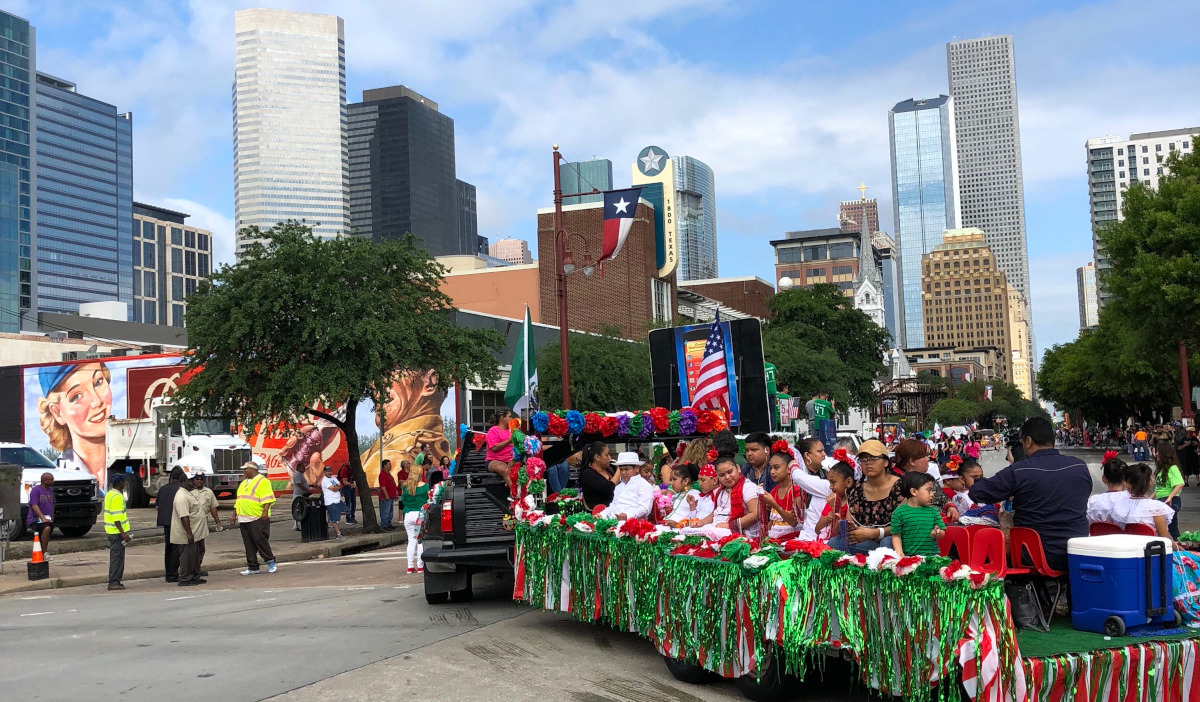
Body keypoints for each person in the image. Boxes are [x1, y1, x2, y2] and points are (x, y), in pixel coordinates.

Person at [968, 417, 1092, 571]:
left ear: (1028, 441)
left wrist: (975, 480)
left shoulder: (1020, 471)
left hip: (1033, 555)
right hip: (1077, 553)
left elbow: (978, 493)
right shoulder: (1079, 466)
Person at [36, 361, 112, 485]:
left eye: (98, 382)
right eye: (76, 396)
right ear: (57, 413)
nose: (96, 402)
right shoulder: (55, 475)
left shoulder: (132, 465)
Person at [828, 440, 902, 554]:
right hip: (868, 542)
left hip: (896, 539)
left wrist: (875, 533)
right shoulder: (856, 490)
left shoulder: (900, 486)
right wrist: (843, 526)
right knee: (834, 543)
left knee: (887, 542)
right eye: (863, 459)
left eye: (873, 458)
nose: (868, 463)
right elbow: (850, 523)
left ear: (886, 462)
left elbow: (906, 524)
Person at [894, 438, 959, 522]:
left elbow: (944, 500)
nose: (928, 459)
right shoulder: (898, 483)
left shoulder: (928, 478)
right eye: (924, 456)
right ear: (912, 461)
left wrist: (951, 507)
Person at [231, 462, 276, 575]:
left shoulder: (262, 481)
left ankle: (270, 560)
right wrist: (234, 515)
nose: (244, 471)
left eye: (245, 469)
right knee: (248, 544)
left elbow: (268, 498)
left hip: (257, 516)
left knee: (260, 540)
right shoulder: (243, 483)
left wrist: (265, 512)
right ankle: (253, 567)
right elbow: (239, 500)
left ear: (252, 469)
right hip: (244, 518)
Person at [1112, 463, 1175, 540]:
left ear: (1127, 485)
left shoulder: (1119, 506)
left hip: (1126, 549)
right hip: (1151, 550)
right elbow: (1166, 539)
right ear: (1151, 482)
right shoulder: (1156, 508)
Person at [704, 456, 763, 537]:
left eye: (730, 472)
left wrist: (730, 525)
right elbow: (716, 513)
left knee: (707, 534)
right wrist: (701, 522)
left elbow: (755, 514)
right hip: (718, 528)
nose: (727, 477)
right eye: (722, 475)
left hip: (740, 531)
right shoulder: (720, 491)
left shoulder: (748, 487)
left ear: (738, 468)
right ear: (717, 477)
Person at [891, 471, 945, 558]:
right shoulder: (898, 513)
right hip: (909, 557)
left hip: (931, 557)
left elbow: (942, 532)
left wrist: (938, 533)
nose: (932, 495)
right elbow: (896, 535)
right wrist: (899, 552)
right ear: (913, 491)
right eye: (929, 490)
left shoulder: (933, 511)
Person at [790, 437, 832, 541]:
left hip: (820, 531)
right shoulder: (800, 477)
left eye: (823, 451)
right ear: (807, 455)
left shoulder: (825, 475)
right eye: (819, 451)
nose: (824, 454)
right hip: (805, 529)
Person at [759, 444, 804, 540]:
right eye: (770, 468)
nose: (772, 472)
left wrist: (773, 504)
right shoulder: (775, 491)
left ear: (789, 469)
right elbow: (774, 521)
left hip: (793, 538)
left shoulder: (796, 490)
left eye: (776, 467)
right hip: (776, 537)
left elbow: (794, 522)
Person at [172, 474, 208, 586]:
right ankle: (185, 578)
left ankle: (194, 576)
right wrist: (189, 533)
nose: (194, 483)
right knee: (187, 556)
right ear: (184, 482)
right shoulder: (181, 497)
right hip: (187, 533)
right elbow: (184, 516)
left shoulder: (189, 493)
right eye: (191, 481)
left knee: (195, 555)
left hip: (196, 531)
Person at [600, 452, 656, 521]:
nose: (623, 473)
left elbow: (645, 509)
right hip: (613, 522)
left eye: (626, 469)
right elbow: (613, 506)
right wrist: (601, 514)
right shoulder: (619, 487)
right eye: (621, 469)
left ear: (637, 468)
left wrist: (627, 516)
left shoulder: (644, 485)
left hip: (634, 524)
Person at [157, 466, 185, 582]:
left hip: (165, 522)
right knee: (176, 548)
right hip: (176, 522)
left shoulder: (163, 489)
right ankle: (173, 574)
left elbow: (157, 505)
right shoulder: (180, 489)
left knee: (168, 548)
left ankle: (168, 572)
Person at [104, 473, 131, 591]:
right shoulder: (117, 497)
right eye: (123, 482)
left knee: (116, 557)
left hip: (111, 531)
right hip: (116, 533)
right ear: (120, 483)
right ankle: (114, 582)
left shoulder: (109, 494)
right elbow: (117, 518)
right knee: (117, 558)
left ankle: (114, 580)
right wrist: (123, 533)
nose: (124, 483)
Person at [815, 461, 854, 541]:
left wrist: (834, 508)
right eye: (829, 483)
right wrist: (826, 519)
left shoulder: (854, 501)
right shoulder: (833, 500)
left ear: (848, 482)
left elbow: (844, 532)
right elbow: (817, 530)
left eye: (833, 482)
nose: (830, 487)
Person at [400, 466, 429, 573]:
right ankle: (420, 566)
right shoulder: (425, 486)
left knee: (411, 541)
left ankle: (410, 566)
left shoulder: (405, 487)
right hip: (420, 515)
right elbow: (429, 500)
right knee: (420, 541)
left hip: (408, 515)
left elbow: (403, 500)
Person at [1154, 441, 1185, 539]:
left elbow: (1180, 484)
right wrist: (1149, 498)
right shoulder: (1162, 469)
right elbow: (1160, 487)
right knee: (1167, 528)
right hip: (1162, 500)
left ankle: (1178, 549)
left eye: (1158, 451)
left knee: (1171, 529)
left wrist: (1170, 497)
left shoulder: (1172, 468)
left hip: (1169, 500)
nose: (1156, 454)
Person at [1087, 453, 1128, 525]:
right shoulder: (1133, 501)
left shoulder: (1093, 502)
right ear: (1127, 480)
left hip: (1100, 535)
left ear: (1104, 478)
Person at [578, 441, 618, 510]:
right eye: (606, 455)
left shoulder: (608, 470)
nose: (609, 458)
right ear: (597, 457)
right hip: (597, 515)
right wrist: (620, 469)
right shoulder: (588, 474)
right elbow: (608, 488)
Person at [663, 462, 701, 527]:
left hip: (682, 529)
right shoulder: (676, 495)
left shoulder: (695, 494)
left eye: (674, 479)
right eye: (671, 479)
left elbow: (697, 518)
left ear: (686, 481)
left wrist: (679, 525)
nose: (671, 483)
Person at [26, 472, 54, 557]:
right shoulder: (36, 490)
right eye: (50, 480)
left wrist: (52, 516)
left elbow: (53, 504)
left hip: (47, 518)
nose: (52, 481)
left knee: (47, 530)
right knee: (46, 528)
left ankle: (42, 551)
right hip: (36, 518)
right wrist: (42, 517)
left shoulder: (50, 491)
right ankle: (44, 552)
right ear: (44, 480)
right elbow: (34, 505)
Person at [485, 410, 516, 481]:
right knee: (506, 470)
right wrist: (509, 440)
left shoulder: (512, 431)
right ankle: (515, 492)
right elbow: (494, 448)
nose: (512, 419)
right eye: (510, 417)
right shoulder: (493, 430)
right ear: (502, 417)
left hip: (510, 460)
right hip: (494, 461)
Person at [293, 453, 322, 531]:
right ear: (299, 468)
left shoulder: (300, 475)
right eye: (303, 468)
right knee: (299, 510)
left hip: (302, 495)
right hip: (298, 495)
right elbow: (299, 484)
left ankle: (296, 526)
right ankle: (299, 526)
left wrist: (313, 485)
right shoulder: (297, 475)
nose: (304, 469)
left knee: (300, 509)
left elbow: (304, 484)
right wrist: (307, 490)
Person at [320, 464, 346, 540]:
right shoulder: (324, 481)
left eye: (330, 471)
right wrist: (337, 487)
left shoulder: (333, 478)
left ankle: (335, 513)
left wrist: (336, 487)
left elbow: (340, 486)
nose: (329, 472)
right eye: (327, 471)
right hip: (331, 501)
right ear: (324, 472)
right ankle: (338, 534)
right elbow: (334, 489)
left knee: (347, 510)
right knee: (334, 519)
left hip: (337, 500)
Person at [378, 459, 399, 531]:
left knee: (390, 511)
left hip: (391, 496)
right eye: (389, 464)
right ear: (384, 466)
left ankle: (388, 524)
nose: (390, 466)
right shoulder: (382, 475)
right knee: (385, 511)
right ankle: (384, 525)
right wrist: (386, 495)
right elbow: (383, 486)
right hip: (386, 497)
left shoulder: (388, 474)